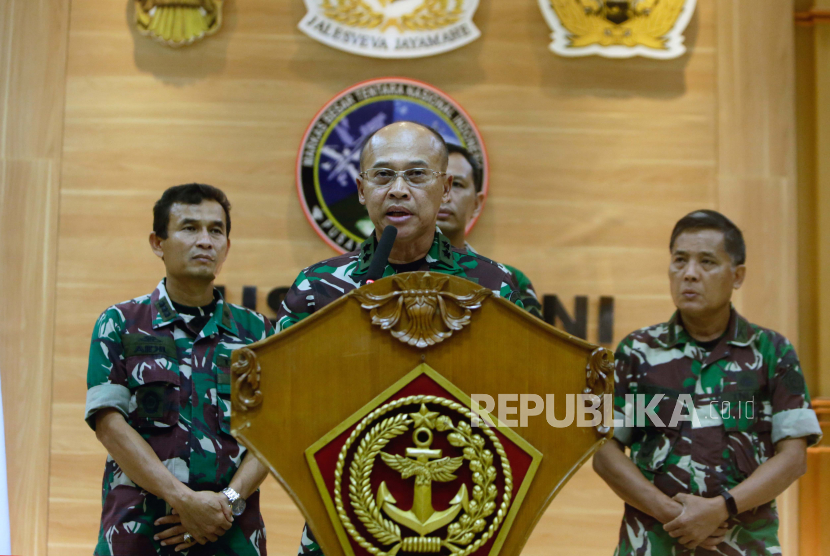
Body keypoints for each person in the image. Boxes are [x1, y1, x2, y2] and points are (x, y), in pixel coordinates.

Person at [278, 122, 524, 555]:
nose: (397, 190)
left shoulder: (495, 288)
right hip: (342, 510)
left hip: (462, 513)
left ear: (446, 187)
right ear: (360, 188)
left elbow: (525, 405)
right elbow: (280, 401)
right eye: (383, 175)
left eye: (416, 175)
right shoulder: (319, 287)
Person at [593, 210, 822, 555]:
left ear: (738, 275)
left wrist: (721, 508)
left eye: (707, 262)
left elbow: (793, 458)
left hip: (744, 546)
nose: (689, 274)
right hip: (653, 544)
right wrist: (673, 514)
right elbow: (605, 452)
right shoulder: (637, 351)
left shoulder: (772, 352)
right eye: (679, 260)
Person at [85, 184, 274, 555]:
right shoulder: (120, 323)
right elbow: (109, 424)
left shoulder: (258, 333)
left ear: (227, 247)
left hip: (231, 533)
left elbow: (272, 432)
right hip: (138, 531)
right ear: (158, 243)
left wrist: (227, 503)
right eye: (190, 228)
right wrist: (184, 501)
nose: (205, 240)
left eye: (216, 230)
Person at [436, 143, 543, 318]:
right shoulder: (385, 271)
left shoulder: (508, 280)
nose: (445, 195)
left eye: (456, 184)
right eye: (436, 184)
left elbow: (533, 344)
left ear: (476, 204)